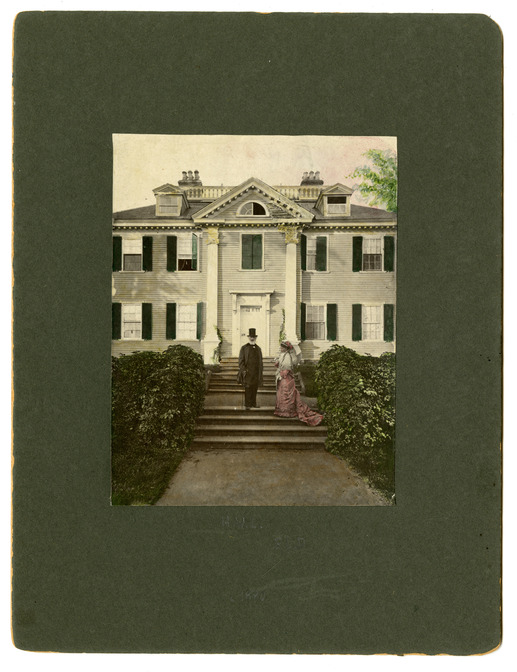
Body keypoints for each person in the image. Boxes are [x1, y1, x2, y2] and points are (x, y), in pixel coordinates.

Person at [274, 341, 324, 426]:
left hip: (286, 376)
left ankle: (288, 412)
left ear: (286, 349)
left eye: (282, 347)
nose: (281, 348)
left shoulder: (288, 356)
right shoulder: (282, 355)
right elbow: (280, 364)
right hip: (282, 376)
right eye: (281, 347)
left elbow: (288, 367)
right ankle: (282, 411)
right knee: (282, 392)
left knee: (286, 392)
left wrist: (283, 373)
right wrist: (277, 363)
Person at [238, 328, 263, 410]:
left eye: (254, 337)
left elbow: (260, 361)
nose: (252, 338)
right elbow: (241, 360)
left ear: (255, 338)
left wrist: (260, 372)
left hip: (256, 372)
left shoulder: (258, 349)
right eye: (251, 337)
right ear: (248, 337)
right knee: (248, 388)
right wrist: (243, 370)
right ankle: (247, 404)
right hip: (247, 372)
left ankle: (254, 403)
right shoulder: (244, 348)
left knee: (255, 388)